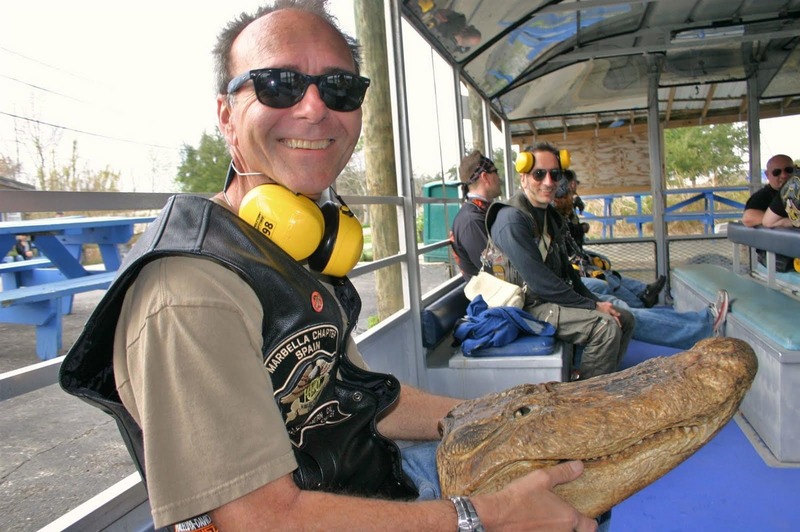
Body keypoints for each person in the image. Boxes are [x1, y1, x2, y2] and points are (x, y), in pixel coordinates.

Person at [59, 3, 600, 531]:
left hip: (380, 484)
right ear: (225, 115)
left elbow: (358, 395)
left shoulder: (295, 249)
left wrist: (490, 415)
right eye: (278, 84)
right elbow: (255, 521)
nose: (315, 108)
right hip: (330, 512)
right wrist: (488, 517)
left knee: (579, 465)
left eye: (339, 88)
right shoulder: (188, 292)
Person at [485, 142, 635, 380]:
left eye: (554, 174)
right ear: (523, 178)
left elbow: (569, 271)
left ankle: (600, 379)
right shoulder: (511, 219)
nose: (548, 182)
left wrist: (594, 300)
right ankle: (587, 402)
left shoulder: (549, 215)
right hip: (521, 307)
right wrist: (593, 307)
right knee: (604, 327)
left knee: (623, 317)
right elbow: (539, 282)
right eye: (539, 174)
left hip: (546, 299)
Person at [554, 170, 666, 309]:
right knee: (603, 278)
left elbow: (570, 241)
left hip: (575, 261)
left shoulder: (567, 210)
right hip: (568, 275)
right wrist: (581, 229)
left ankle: (643, 292)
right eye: (570, 193)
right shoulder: (552, 216)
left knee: (606, 269)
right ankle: (639, 304)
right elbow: (566, 241)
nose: (572, 196)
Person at [450, 150, 502, 280]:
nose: (499, 178)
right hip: (494, 297)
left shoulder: (481, 212)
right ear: (485, 177)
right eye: (495, 172)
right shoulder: (471, 221)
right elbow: (496, 270)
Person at [742, 154, 794, 227]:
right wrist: (789, 221)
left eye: (788, 170)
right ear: (767, 175)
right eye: (777, 172)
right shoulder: (762, 196)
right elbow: (748, 218)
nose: (784, 175)